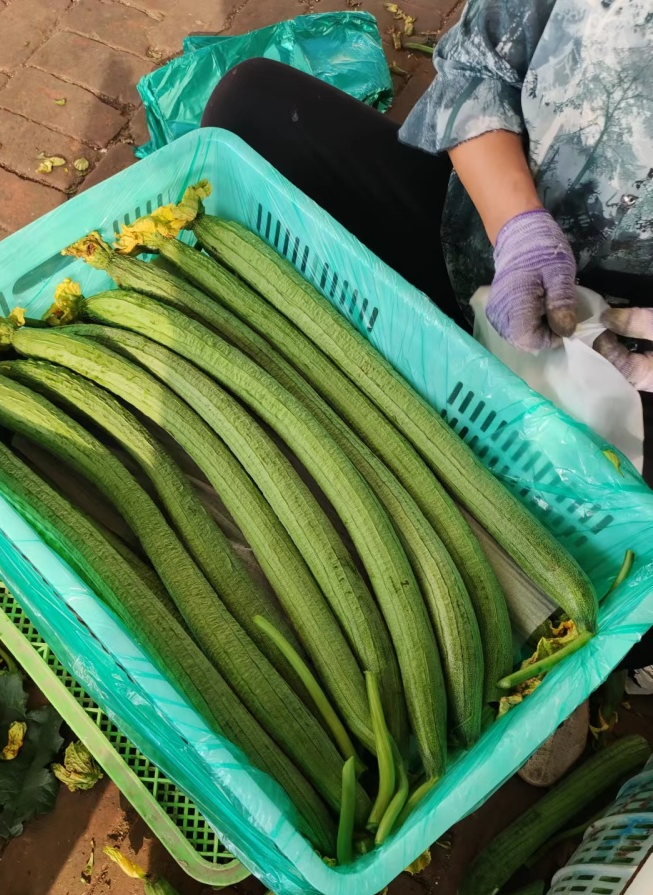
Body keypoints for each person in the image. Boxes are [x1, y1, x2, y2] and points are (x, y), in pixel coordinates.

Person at [202, 0, 653, 683]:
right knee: (255, 106)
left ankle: (563, 648)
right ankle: (406, 388)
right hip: (489, 234)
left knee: (633, 585)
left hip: (634, 353)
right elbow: (477, 63)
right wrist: (518, 230)